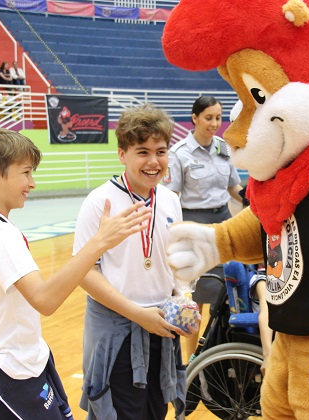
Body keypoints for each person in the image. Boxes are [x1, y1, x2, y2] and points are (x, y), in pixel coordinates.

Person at [0, 124, 152, 419]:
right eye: (26, 172)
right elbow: (45, 300)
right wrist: (99, 242)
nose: (32, 183)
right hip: (5, 373)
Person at [73, 103, 191, 419]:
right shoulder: (100, 202)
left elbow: (175, 258)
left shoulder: (170, 200)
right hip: (118, 327)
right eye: (142, 152)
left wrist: (184, 296)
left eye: (161, 151)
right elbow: (84, 273)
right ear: (122, 153)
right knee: (118, 412)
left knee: (155, 411)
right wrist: (139, 314)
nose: (154, 162)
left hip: (161, 323)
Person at [162, 95, 243, 358]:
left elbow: (234, 188)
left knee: (226, 294)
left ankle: (215, 354)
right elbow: (170, 197)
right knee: (192, 300)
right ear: (195, 118)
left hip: (222, 225)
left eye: (218, 118)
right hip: (193, 227)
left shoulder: (223, 148)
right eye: (209, 117)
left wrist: (255, 202)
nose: (214, 123)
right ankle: (189, 361)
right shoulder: (179, 154)